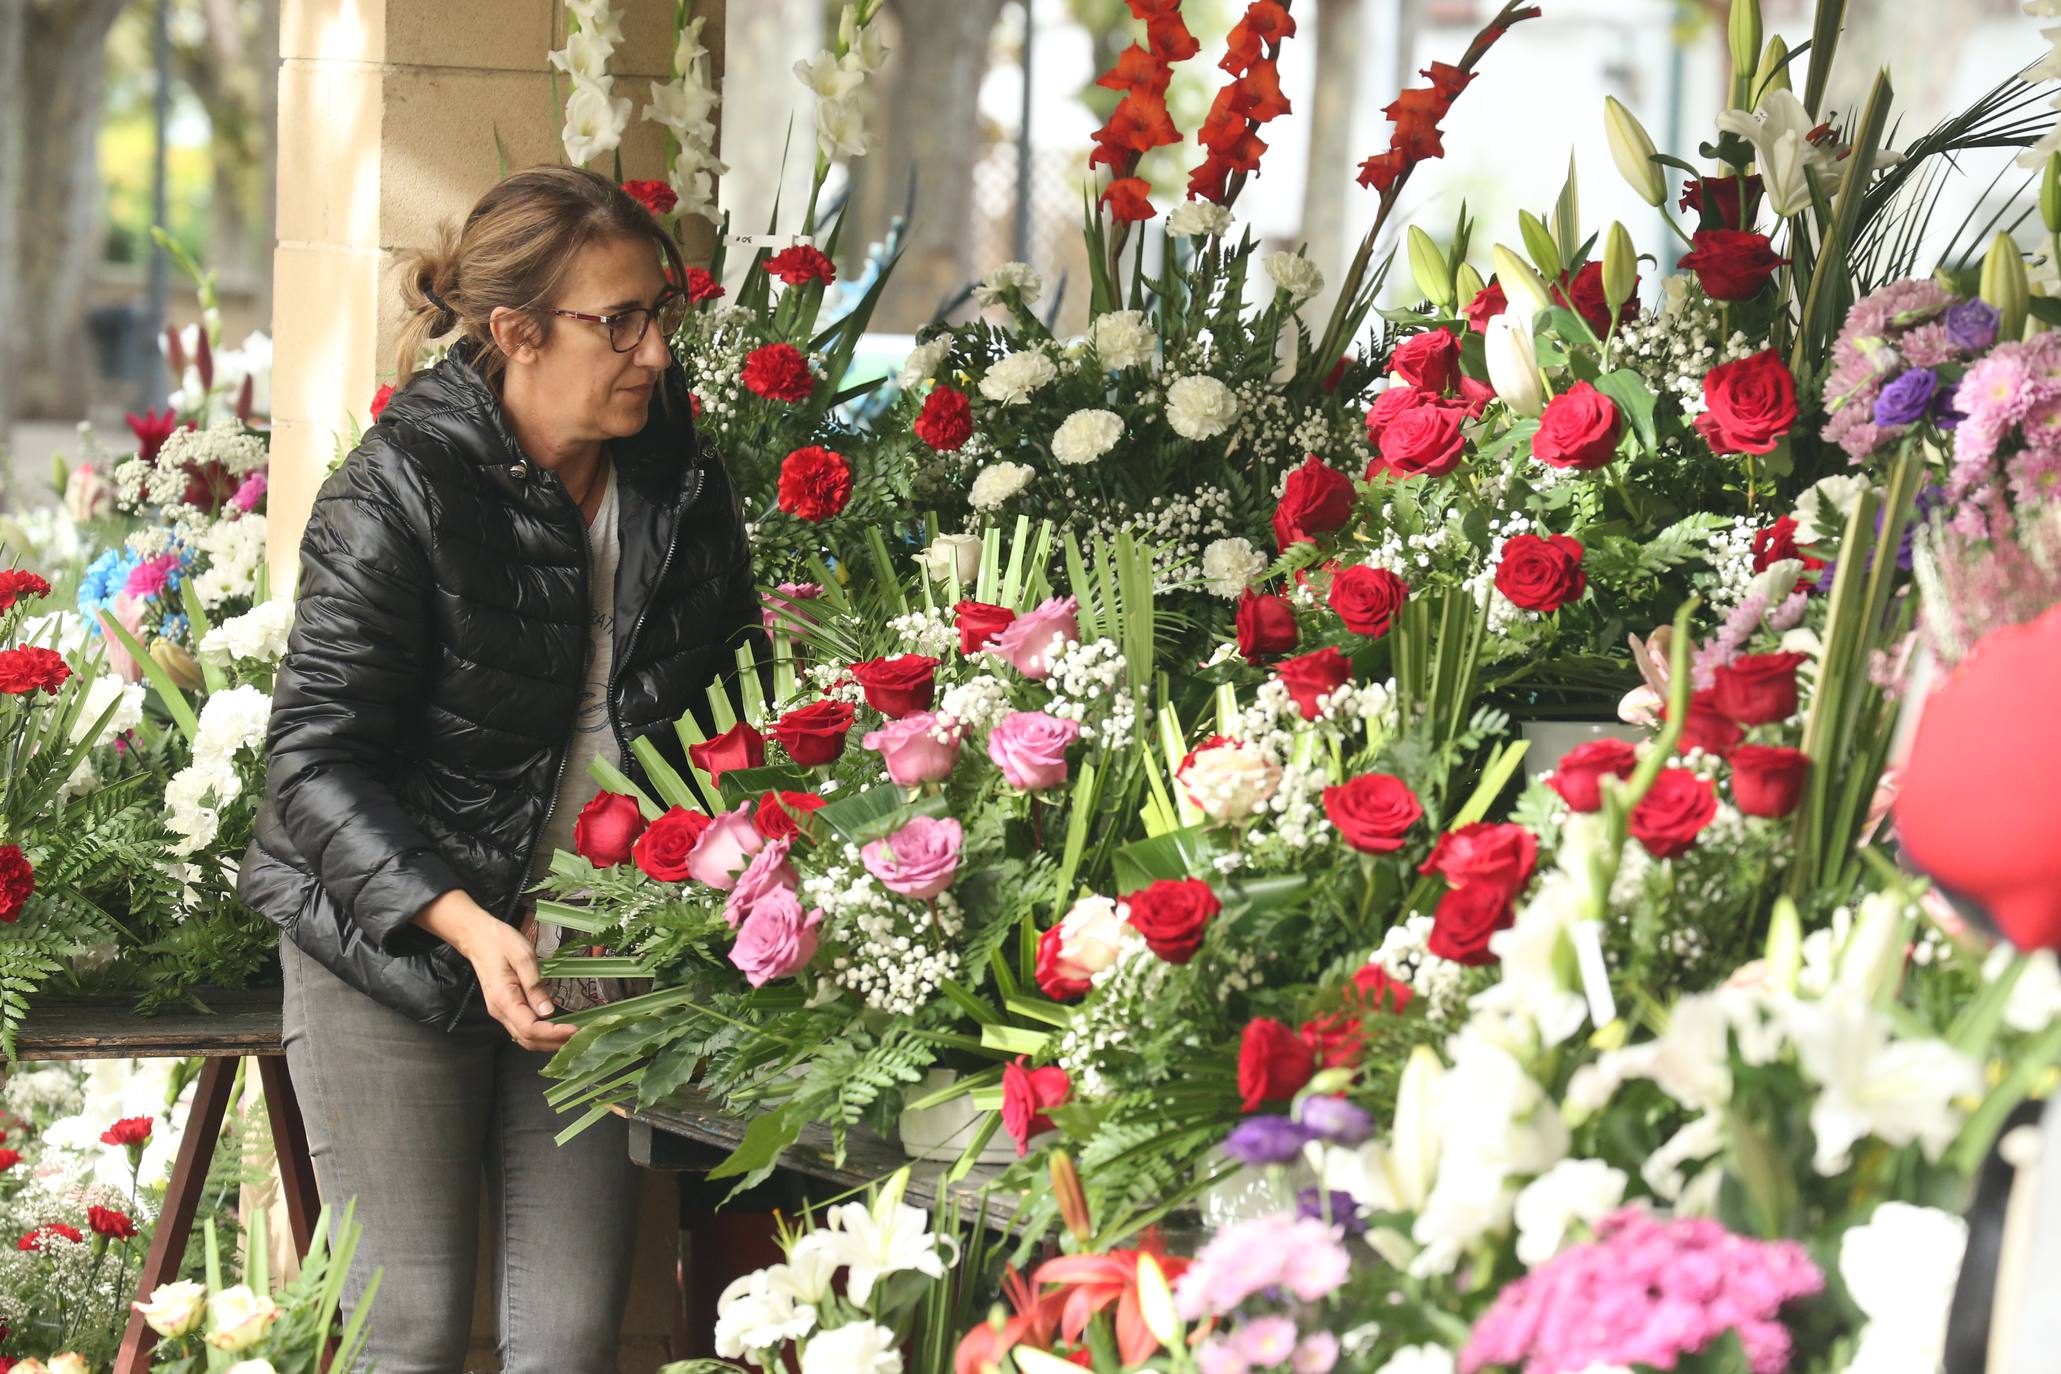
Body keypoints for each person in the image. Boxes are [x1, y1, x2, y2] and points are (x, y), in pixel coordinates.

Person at [238, 165, 760, 1371]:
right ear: (517, 334)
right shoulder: (399, 490)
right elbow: (312, 765)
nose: (653, 352)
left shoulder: (679, 481)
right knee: (406, 1332)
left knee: (570, 1337)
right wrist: (470, 927)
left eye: (661, 316)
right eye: (618, 322)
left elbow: (735, 707)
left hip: (590, 958)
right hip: (394, 947)